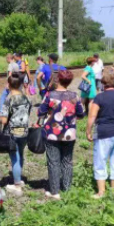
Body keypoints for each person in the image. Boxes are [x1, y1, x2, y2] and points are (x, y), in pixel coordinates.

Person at [38, 69, 85, 200]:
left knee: (53, 162)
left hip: (52, 134)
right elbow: (81, 114)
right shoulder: (74, 96)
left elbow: (40, 112)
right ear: (69, 81)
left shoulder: (49, 95)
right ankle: (67, 189)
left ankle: (55, 192)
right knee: (67, 161)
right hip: (69, 134)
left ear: (58, 79)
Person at [86, 69, 114, 198]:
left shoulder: (99, 97)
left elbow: (91, 117)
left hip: (104, 133)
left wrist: (88, 131)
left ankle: (101, 192)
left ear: (103, 84)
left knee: (100, 161)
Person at [0, 72, 32, 195]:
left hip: (13, 132)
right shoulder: (26, 98)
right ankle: (19, 178)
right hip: (24, 131)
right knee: (21, 155)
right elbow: (28, 113)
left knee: (14, 157)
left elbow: (3, 120)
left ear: (8, 84)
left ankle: (17, 185)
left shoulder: (9, 99)